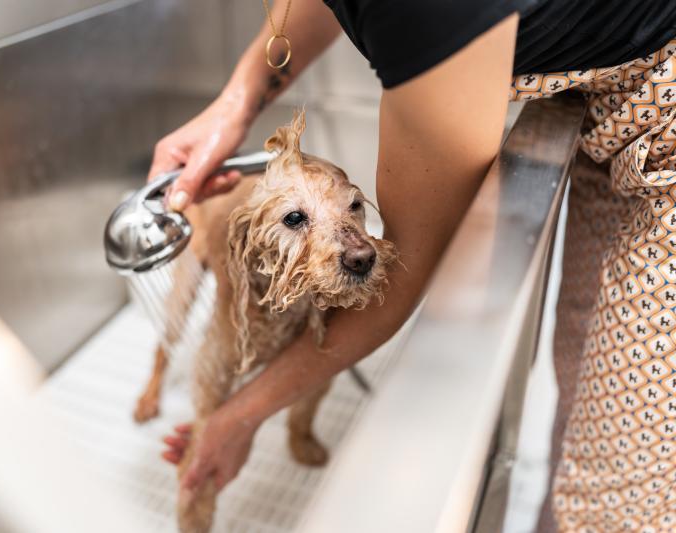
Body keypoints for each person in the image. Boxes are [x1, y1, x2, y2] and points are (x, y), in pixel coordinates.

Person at [155, 1, 676, 531]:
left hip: (666, 114)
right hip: (610, 108)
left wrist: (237, 419)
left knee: (619, 481)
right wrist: (237, 102)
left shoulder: (428, 11)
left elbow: (405, 269)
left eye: (354, 207)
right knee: (580, 362)